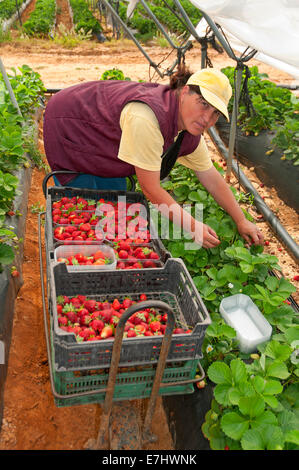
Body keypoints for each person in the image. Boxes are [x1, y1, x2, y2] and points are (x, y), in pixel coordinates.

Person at [43, 65, 264, 249]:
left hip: (105, 139)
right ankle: (77, 257)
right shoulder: (148, 116)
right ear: (185, 92)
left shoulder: (188, 129)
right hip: (70, 125)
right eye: (203, 104)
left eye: (215, 112)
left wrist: (242, 220)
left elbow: (211, 178)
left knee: (112, 207)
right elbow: (150, 188)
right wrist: (192, 225)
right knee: (83, 209)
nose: (207, 118)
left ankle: (104, 249)